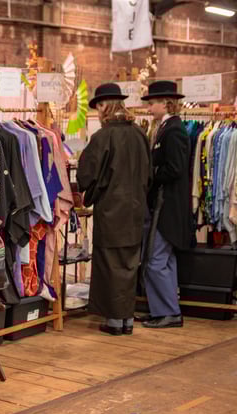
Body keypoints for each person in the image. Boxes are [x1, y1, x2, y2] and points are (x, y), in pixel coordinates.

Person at [77, 83, 151, 336]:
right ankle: (126, 319)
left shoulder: (103, 136)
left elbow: (87, 174)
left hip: (111, 210)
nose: (98, 111)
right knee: (129, 265)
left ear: (104, 106)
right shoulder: (139, 134)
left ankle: (114, 321)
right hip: (135, 209)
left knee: (109, 265)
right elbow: (149, 173)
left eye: (98, 106)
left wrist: (86, 192)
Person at [140, 80, 190, 329]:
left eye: (152, 103)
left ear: (165, 103)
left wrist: (151, 174)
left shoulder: (174, 131)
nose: (149, 109)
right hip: (165, 205)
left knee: (155, 260)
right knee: (165, 260)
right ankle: (166, 311)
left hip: (167, 206)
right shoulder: (166, 129)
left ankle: (167, 311)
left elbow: (175, 168)